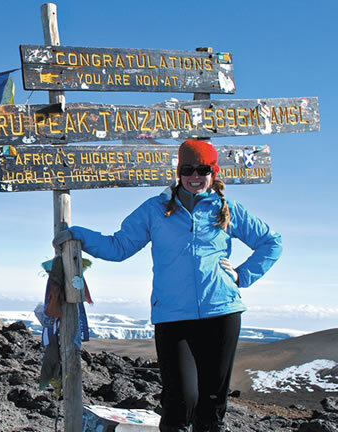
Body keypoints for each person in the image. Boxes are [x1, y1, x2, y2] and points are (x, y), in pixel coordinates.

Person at [53, 140, 282, 432]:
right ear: (178, 171)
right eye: (188, 169)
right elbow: (119, 246)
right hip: (173, 318)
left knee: (212, 407)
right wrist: (77, 235)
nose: (195, 176)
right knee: (180, 402)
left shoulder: (227, 209)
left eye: (203, 169)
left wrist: (242, 274)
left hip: (222, 313)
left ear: (214, 171)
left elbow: (271, 242)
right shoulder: (155, 209)